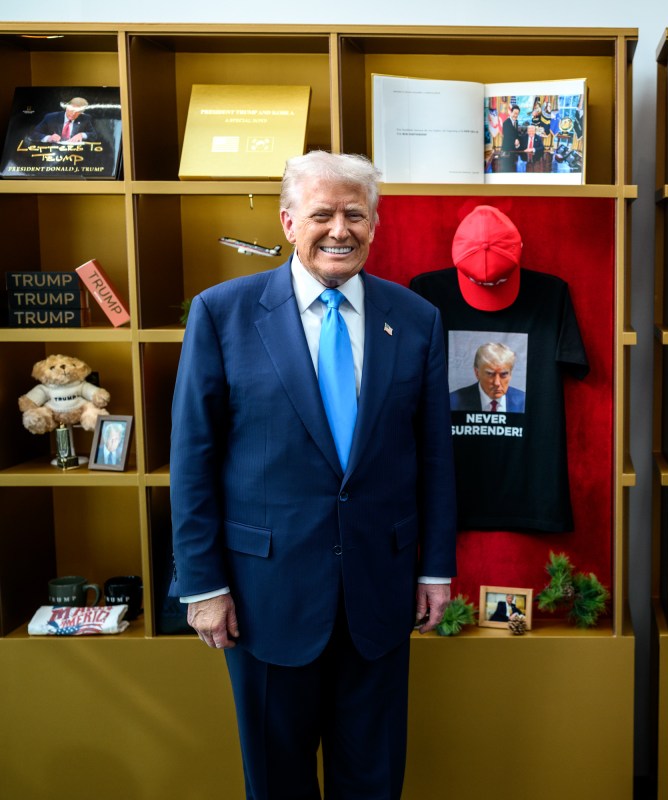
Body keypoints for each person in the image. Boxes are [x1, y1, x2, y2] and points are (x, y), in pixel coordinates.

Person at [170, 150, 456, 799]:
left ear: (374, 225)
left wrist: (435, 568)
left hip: (379, 599)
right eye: (322, 214)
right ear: (288, 221)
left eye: (355, 214)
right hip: (262, 601)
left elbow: (435, 455)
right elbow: (193, 459)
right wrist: (203, 584)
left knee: (374, 781)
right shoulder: (222, 314)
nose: (339, 229)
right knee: (277, 783)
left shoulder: (415, 319)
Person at [449, 341, 526, 412]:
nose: (497, 383)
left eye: (504, 374)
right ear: (477, 373)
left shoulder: (524, 401)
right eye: (490, 374)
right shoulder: (453, 401)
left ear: (510, 374)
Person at [495, 104, 528, 174]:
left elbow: (516, 134)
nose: (516, 115)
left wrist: (519, 140)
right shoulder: (506, 123)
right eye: (515, 113)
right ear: (511, 112)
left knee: (514, 169)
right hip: (506, 150)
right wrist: (515, 140)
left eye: (517, 114)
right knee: (506, 170)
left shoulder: (516, 122)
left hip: (514, 150)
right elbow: (507, 136)